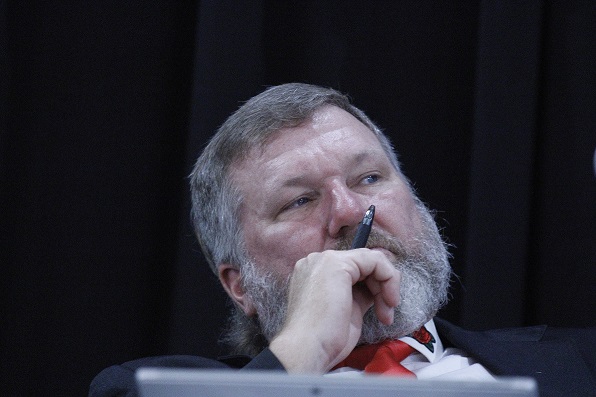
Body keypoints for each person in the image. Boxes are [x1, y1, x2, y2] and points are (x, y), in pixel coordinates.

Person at [90, 83, 595, 397]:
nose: (350, 212)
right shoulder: (144, 389)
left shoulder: (581, 360)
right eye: (300, 201)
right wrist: (303, 349)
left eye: (370, 178)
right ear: (238, 285)